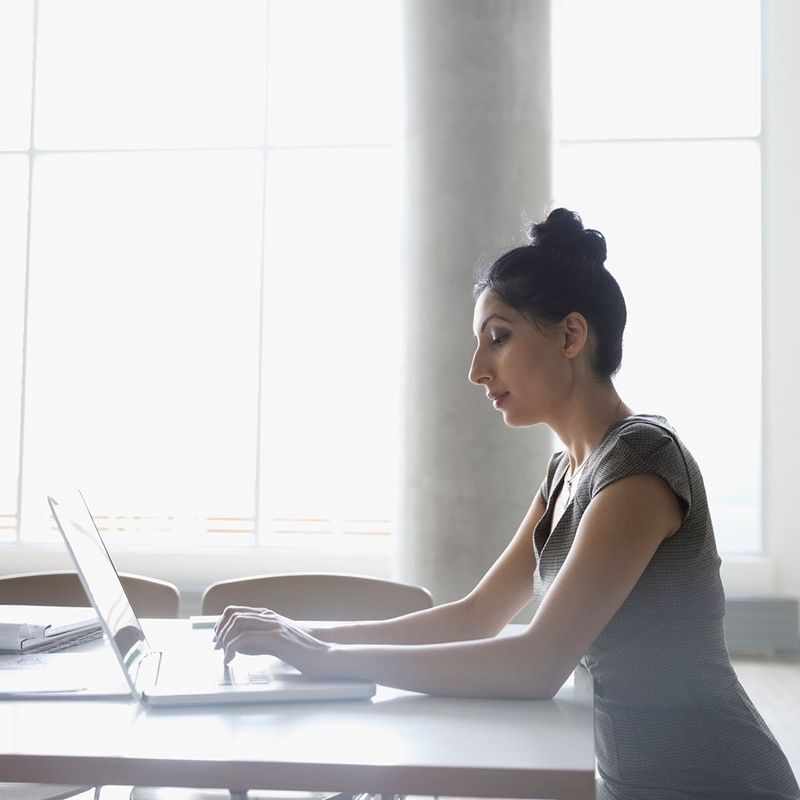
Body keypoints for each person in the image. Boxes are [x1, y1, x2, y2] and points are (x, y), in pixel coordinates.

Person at [213, 209, 800, 799]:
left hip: (722, 784)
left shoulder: (641, 463)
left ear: (572, 336)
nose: (476, 370)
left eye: (498, 338)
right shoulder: (568, 472)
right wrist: (304, 637)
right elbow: (473, 616)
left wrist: (327, 658)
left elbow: (535, 665)